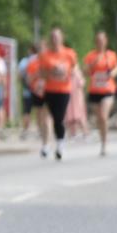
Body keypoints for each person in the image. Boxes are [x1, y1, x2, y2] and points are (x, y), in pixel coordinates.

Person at [37, 27, 76, 161]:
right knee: (46, 118)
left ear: (61, 38)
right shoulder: (45, 55)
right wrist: (52, 72)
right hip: (49, 90)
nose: (55, 40)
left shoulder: (69, 53)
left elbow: (74, 69)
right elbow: (41, 73)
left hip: (64, 90)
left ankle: (60, 144)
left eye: (57, 37)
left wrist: (66, 73)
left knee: (58, 119)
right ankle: (45, 145)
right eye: (52, 37)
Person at [82, 32, 117, 156]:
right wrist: (93, 64)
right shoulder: (90, 56)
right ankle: (102, 138)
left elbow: (116, 68)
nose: (100, 42)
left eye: (102, 40)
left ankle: (104, 144)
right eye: (98, 40)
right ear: (95, 42)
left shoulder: (111, 55)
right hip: (94, 90)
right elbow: (85, 72)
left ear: (106, 41)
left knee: (103, 116)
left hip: (108, 90)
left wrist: (112, 73)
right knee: (99, 119)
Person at [18, 44, 39, 139]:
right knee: (40, 110)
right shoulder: (41, 60)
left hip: (27, 89)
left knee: (27, 111)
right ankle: (41, 130)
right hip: (39, 90)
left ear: (30, 50)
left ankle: (25, 131)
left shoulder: (25, 61)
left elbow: (20, 75)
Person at [65, 65, 89, 140]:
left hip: (77, 97)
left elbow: (82, 83)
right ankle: (72, 133)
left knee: (80, 116)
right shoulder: (67, 73)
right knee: (70, 116)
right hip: (69, 96)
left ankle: (85, 133)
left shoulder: (77, 73)